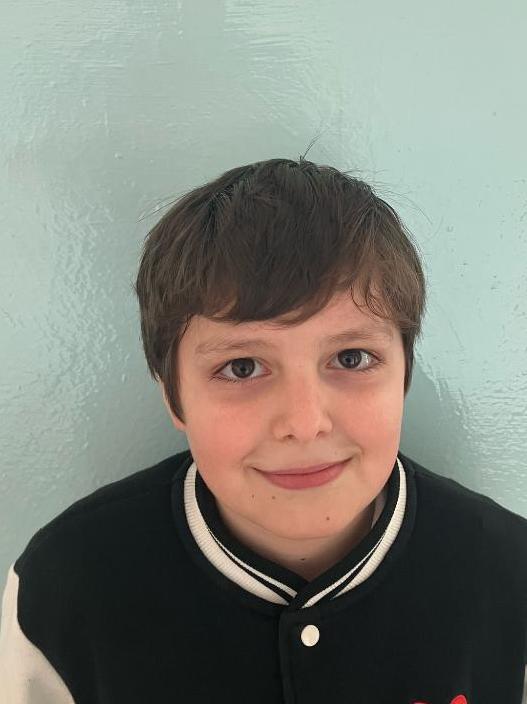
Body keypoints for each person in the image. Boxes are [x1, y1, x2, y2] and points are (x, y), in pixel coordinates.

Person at [0, 157, 526, 703]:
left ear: (404, 375)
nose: (304, 423)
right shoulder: (64, 586)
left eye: (351, 358)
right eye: (242, 367)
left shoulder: (510, 575)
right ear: (173, 395)